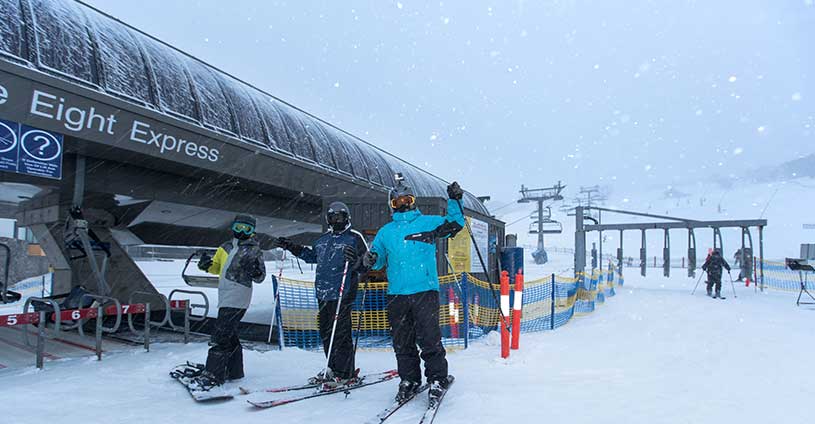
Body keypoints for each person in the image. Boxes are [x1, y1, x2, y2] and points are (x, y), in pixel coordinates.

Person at [362, 175, 465, 404]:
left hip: (424, 290)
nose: (402, 205)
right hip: (397, 293)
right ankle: (409, 379)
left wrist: (455, 200)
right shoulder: (386, 232)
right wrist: (371, 259)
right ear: (391, 205)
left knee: (429, 337)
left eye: (406, 199)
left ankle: (437, 378)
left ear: (413, 200)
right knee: (402, 341)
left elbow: (455, 224)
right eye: (397, 202)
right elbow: (378, 259)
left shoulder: (427, 223)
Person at [274, 202, 369, 388]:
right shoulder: (322, 240)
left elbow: (366, 263)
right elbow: (311, 257)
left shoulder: (354, 238)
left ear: (347, 218)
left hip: (343, 291)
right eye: (333, 218)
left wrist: (356, 261)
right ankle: (331, 366)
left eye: (340, 217)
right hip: (323, 292)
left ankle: (345, 371)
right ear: (328, 219)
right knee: (326, 331)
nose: (337, 221)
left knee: (340, 332)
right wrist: (291, 247)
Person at [193, 214, 266, 390]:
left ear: (252, 231)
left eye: (246, 229)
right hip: (225, 295)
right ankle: (235, 371)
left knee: (220, 335)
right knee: (229, 334)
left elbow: (260, 277)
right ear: (233, 227)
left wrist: (255, 271)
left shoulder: (254, 250)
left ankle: (214, 374)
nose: (241, 231)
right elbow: (217, 268)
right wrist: (206, 265)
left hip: (239, 295)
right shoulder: (224, 247)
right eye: (239, 227)